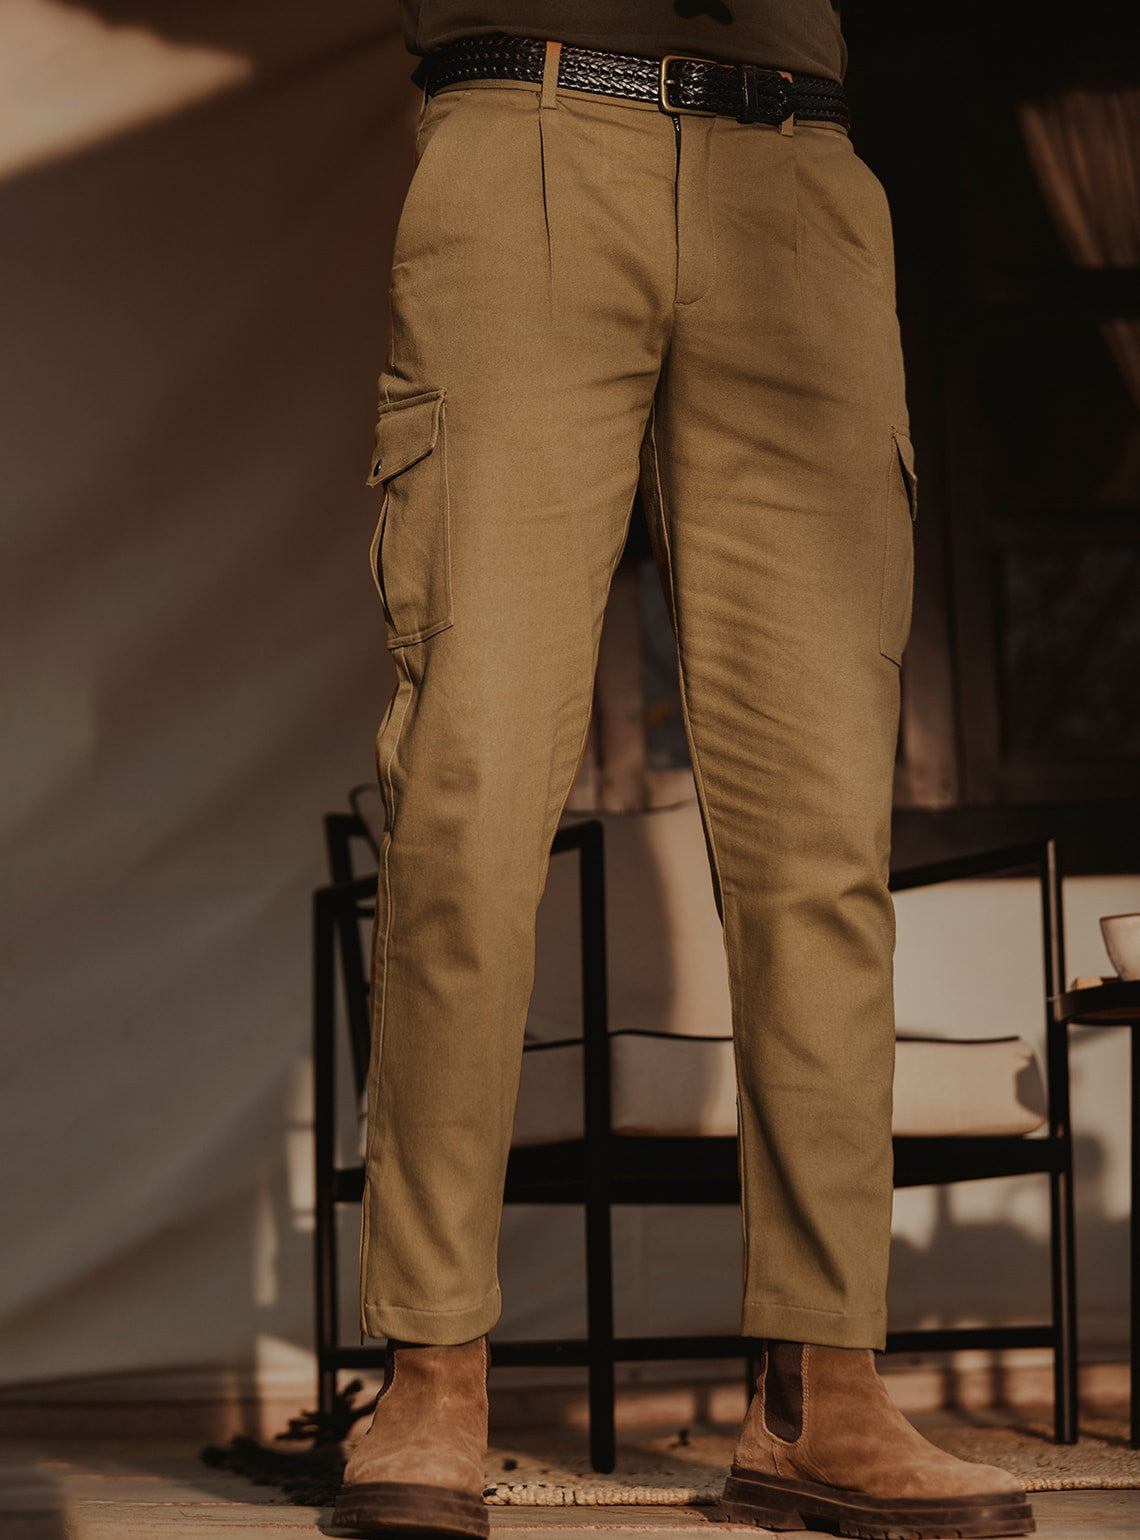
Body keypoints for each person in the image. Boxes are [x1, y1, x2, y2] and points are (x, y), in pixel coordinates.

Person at [333, 5, 1035, 1537]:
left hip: (800, 171)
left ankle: (821, 1392)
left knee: (821, 838)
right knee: (469, 798)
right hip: (528, 128)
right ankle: (433, 1373)